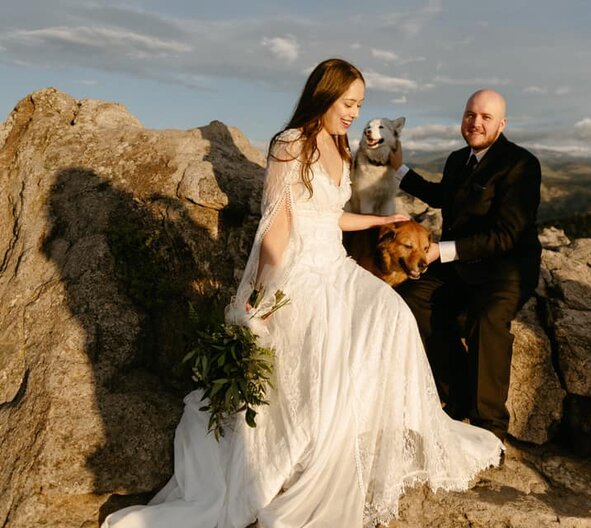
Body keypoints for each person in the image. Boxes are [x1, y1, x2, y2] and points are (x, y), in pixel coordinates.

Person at [101, 59, 502, 528]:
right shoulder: (289, 145)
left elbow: (329, 215)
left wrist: (378, 221)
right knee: (327, 346)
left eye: (358, 105)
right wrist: (261, 295)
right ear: (323, 97)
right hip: (300, 272)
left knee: (392, 313)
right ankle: (320, 445)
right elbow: (276, 230)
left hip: (335, 264)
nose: (354, 114)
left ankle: (371, 428)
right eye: (347, 103)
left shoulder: (337, 142)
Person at [391, 89, 542, 441]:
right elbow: (444, 196)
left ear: (501, 124)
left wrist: (441, 251)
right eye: (470, 115)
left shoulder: (521, 165)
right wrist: (398, 168)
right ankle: (456, 397)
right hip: (461, 264)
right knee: (411, 297)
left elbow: (506, 235)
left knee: (486, 319)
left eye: (486, 117)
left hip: (507, 269)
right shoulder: (458, 159)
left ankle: (490, 429)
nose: (476, 123)